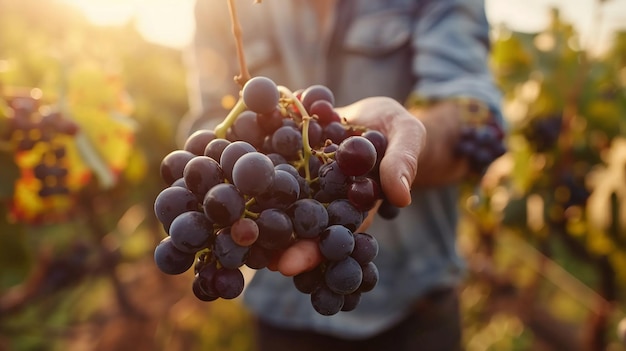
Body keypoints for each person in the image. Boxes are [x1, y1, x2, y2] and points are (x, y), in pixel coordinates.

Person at [179, 0, 504, 350]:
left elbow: (476, 120)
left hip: (416, 308)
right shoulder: (220, 6)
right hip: (281, 309)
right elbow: (211, 123)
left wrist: (409, 141)